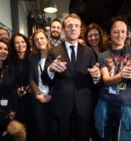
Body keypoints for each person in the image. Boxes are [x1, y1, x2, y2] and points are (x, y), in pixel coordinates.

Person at [41, 13, 101, 141]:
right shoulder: (53, 51)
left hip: (84, 105)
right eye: (69, 26)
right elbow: (44, 79)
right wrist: (51, 69)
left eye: (76, 26)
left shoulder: (89, 51)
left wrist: (96, 76)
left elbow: (96, 80)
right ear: (63, 30)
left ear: (80, 29)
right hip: (62, 105)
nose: (73, 28)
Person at [94, 17, 131, 141]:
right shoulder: (103, 56)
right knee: (104, 136)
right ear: (109, 34)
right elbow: (106, 80)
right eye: (116, 32)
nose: (120, 35)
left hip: (127, 104)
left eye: (123, 31)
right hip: (105, 102)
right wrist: (120, 76)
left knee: (125, 138)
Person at [28, 30, 57, 141]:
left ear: (47, 39)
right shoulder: (32, 57)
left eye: (42, 38)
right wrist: (37, 94)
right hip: (38, 98)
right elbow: (31, 78)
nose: (39, 41)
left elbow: (59, 79)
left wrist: (50, 95)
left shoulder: (55, 53)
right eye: (36, 40)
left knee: (54, 128)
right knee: (41, 129)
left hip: (53, 97)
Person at [9, 33, 35, 141]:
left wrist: (32, 85)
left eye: (23, 42)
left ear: (27, 43)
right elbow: (8, 81)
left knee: (32, 125)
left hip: (32, 98)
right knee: (19, 128)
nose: (20, 44)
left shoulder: (33, 58)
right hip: (18, 100)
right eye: (17, 42)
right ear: (14, 46)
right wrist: (16, 89)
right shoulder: (10, 61)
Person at [84, 22, 107, 141]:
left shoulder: (108, 50)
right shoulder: (84, 52)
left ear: (101, 35)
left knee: (106, 123)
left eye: (96, 35)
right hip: (92, 93)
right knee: (94, 121)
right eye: (90, 36)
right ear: (86, 38)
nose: (93, 38)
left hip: (108, 91)